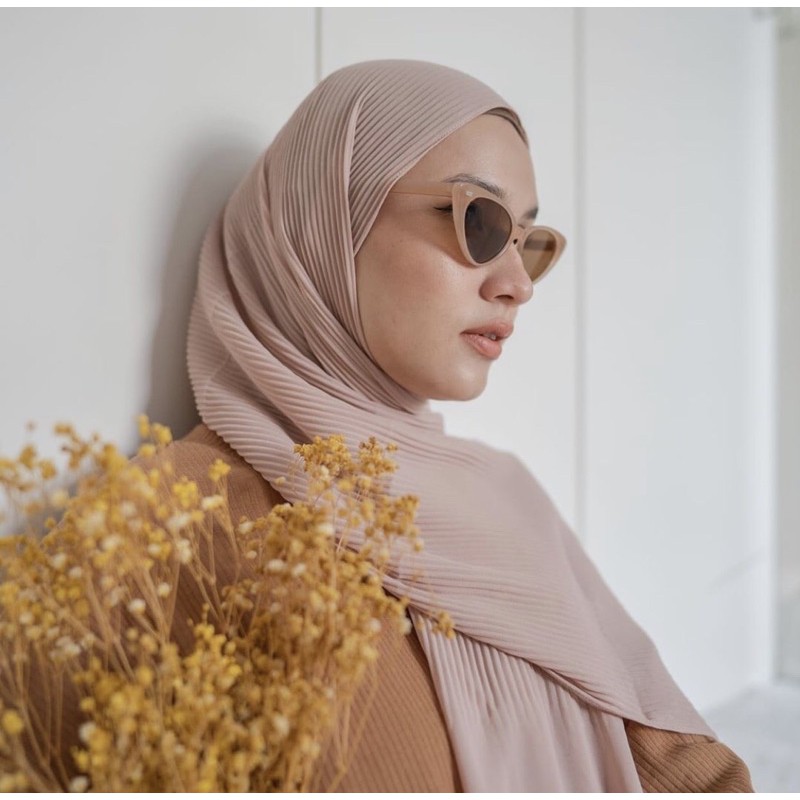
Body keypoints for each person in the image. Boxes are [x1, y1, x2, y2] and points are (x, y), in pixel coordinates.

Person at [174, 59, 753, 791]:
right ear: (324, 222)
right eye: (481, 222)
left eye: (528, 243)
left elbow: (676, 761)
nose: (517, 285)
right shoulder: (179, 516)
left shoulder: (504, 494)